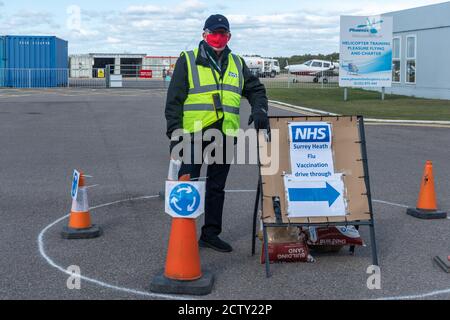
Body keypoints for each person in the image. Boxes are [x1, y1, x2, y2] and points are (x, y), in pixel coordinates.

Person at [165, 14, 269, 253]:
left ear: (229, 36)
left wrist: (260, 108)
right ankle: (183, 235)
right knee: (187, 186)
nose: (218, 38)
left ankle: (210, 234)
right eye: (214, 33)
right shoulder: (188, 60)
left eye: (223, 33)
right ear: (204, 35)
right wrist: (174, 134)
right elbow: (174, 102)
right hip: (193, 134)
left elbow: (255, 89)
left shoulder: (237, 62)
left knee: (216, 187)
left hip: (225, 133)